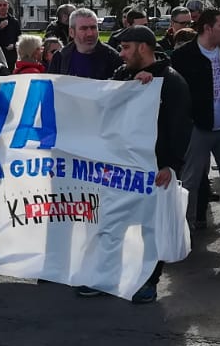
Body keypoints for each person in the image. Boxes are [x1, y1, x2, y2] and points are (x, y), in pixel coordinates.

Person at [75, 26, 191, 303]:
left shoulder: (171, 81)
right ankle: (106, 277)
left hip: (154, 170)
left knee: (151, 229)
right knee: (111, 223)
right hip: (121, 169)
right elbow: (104, 104)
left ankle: (148, 281)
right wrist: (130, 88)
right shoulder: (122, 75)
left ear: (143, 47)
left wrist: (171, 165)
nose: (122, 54)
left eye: (126, 47)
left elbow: (180, 127)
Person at [170, 7, 220, 256]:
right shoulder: (183, 56)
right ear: (207, 28)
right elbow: (174, 89)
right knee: (189, 183)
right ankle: (184, 235)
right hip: (197, 129)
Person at [47, 8, 121, 79]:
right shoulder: (60, 58)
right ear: (71, 32)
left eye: (93, 28)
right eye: (84, 29)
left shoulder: (113, 58)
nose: (90, 34)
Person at [0, 0, 22, 68]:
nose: (2, 7)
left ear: (8, 6)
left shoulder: (14, 21)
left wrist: (13, 45)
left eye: (4, 5)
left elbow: (19, 38)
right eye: (0, 5)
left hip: (10, 56)